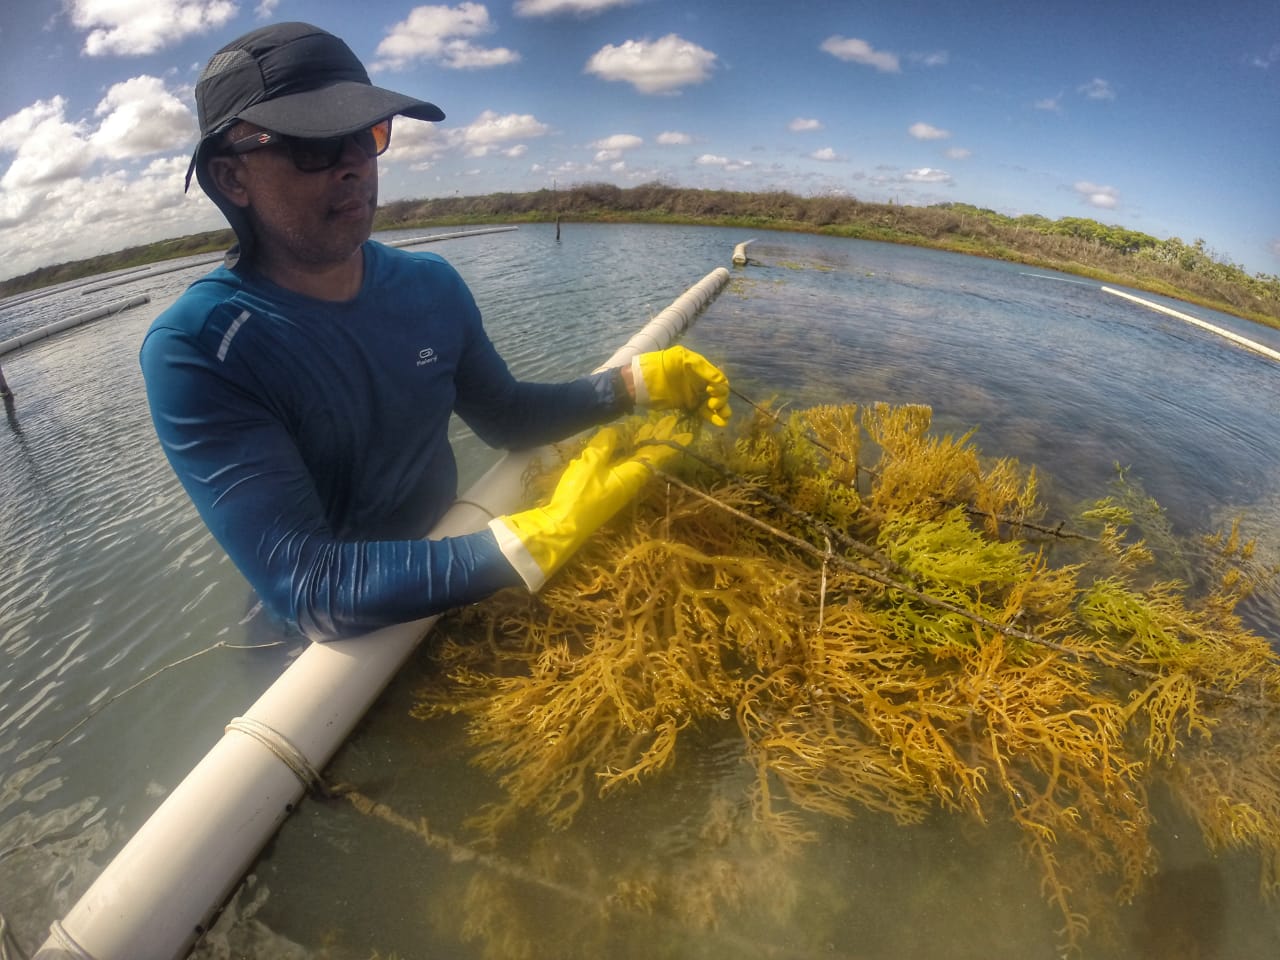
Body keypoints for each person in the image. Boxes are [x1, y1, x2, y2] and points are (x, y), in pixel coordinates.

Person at [140, 22, 731, 641]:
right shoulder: (200, 348)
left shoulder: (431, 286)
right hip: (320, 648)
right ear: (232, 177)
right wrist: (542, 537)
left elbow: (507, 418)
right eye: (312, 145)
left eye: (365, 136)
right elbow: (307, 584)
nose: (351, 166)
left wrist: (631, 386)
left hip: (453, 567)